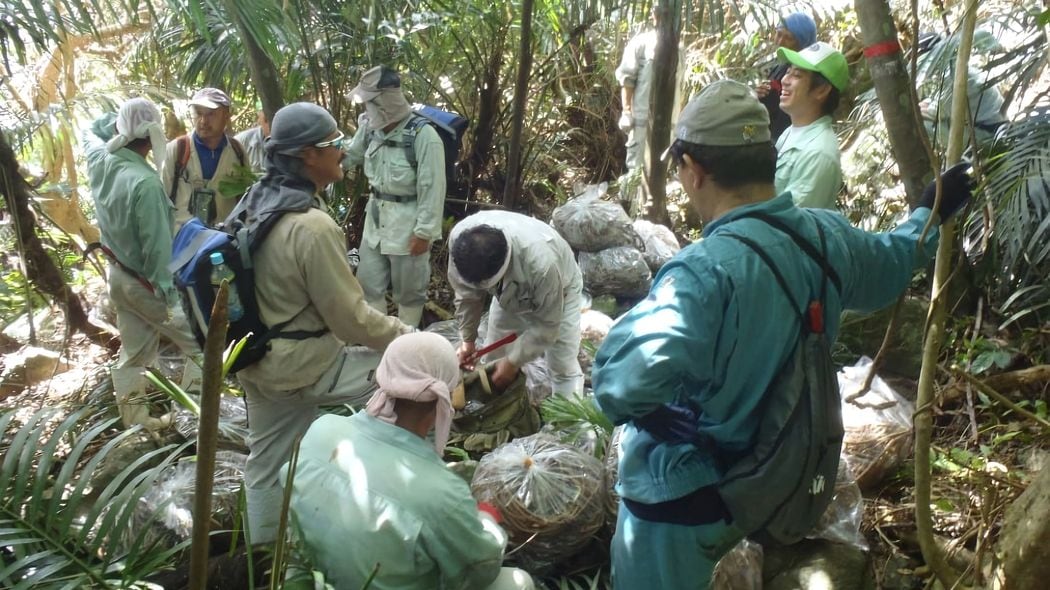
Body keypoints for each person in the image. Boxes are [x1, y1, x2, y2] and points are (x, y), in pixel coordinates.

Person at [592, 80, 972, 589]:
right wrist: (930, 210)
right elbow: (893, 264)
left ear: (693, 168)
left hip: (687, 496)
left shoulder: (701, 273)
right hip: (771, 480)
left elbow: (618, 382)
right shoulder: (825, 236)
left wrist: (660, 415)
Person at [230, 102, 414, 544]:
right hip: (305, 366)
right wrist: (407, 337)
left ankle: (263, 559)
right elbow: (351, 323)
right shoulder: (311, 227)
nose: (343, 152)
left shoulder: (252, 202)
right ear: (308, 155)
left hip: (254, 359)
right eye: (333, 144)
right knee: (410, 376)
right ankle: (400, 496)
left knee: (267, 462)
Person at [283, 332, 535, 590]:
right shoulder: (441, 494)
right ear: (445, 396)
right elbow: (481, 570)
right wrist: (487, 519)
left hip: (314, 578)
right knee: (516, 582)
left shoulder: (321, 429)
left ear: (383, 375)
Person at [82, 98, 201, 430]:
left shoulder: (101, 158)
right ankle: (192, 420)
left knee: (134, 354)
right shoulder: (146, 184)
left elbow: (90, 130)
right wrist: (170, 297)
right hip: (144, 284)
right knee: (200, 343)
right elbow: (156, 251)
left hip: (116, 276)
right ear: (151, 136)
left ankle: (136, 424)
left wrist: (121, 119)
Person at [345, 65, 446, 328]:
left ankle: (407, 340)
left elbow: (433, 188)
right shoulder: (370, 128)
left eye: (370, 103)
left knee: (410, 292)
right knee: (368, 284)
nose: (366, 109)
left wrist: (424, 233)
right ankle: (380, 343)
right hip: (375, 220)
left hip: (408, 224)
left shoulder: (424, 136)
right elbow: (350, 155)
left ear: (384, 101)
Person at [447, 211, 584, 395]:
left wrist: (513, 361)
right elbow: (466, 296)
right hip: (508, 296)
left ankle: (570, 419)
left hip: (561, 289)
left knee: (562, 363)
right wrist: (468, 340)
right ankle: (492, 414)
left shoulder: (542, 264)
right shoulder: (461, 243)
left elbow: (546, 328)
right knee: (493, 361)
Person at [774, 41, 849, 210]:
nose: (785, 80)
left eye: (797, 75)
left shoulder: (819, 153)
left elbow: (790, 222)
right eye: (788, 71)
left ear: (821, 90)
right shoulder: (791, 131)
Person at [161, 87, 250, 228]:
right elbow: (162, 198)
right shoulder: (177, 149)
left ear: (226, 116)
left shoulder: (237, 151)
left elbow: (245, 199)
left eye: (211, 115)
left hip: (222, 238)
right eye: (198, 113)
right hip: (183, 238)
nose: (203, 121)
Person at [755, 12, 817, 142]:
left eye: (789, 38)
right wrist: (758, 94)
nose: (780, 41)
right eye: (778, 34)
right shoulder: (780, 66)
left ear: (803, 42)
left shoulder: (806, 74)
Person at [615, 12, 658, 172]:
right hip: (642, 121)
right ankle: (629, 198)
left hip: (669, 125)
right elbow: (628, 79)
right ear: (653, 14)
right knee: (636, 171)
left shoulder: (678, 47)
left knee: (660, 170)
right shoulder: (641, 43)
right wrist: (627, 112)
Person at [233, 101, 270, 173]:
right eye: (266, 120)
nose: (270, 125)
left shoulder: (290, 141)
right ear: (259, 120)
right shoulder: (241, 141)